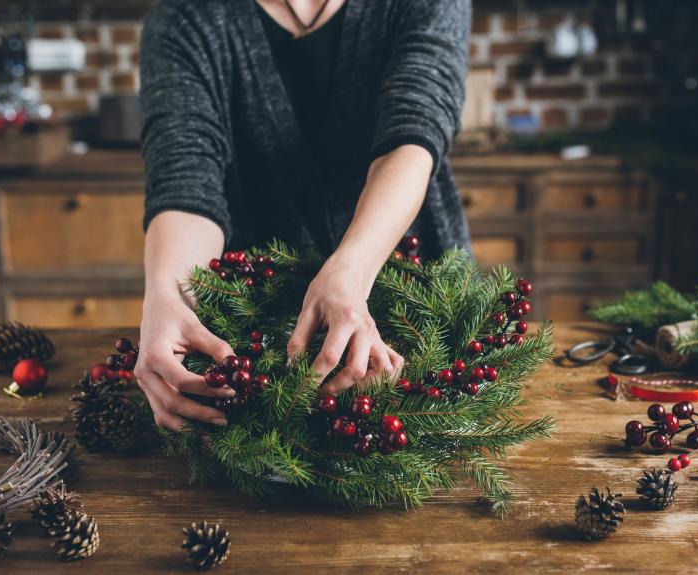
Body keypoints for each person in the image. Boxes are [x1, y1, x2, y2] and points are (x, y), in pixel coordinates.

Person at [135, 0, 472, 431]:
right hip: (258, 312)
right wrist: (168, 292)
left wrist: (349, 271)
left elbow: (415, 130)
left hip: (416, 288)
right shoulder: (183, 20)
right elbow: (185, 177)